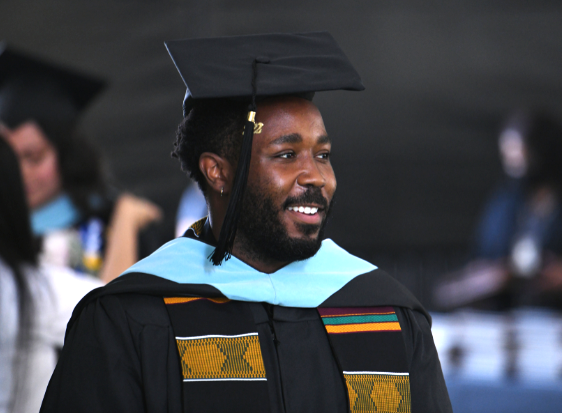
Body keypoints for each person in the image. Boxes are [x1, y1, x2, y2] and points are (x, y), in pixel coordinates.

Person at [41, 32, 452, 412]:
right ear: (217, 172)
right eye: (286, 155)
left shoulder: (386, 313)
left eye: (323, 155)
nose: (316, 176)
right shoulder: (130, 317)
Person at [0, 43, 162, 282]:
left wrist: (125, 223)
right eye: (7, 159)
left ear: (66, 155)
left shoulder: (115, 221)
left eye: (34, 157)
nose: (20, 172)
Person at [434, 110, 562, 311]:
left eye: (523, 154)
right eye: (509, 155)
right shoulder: (505, 202)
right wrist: (493, 279)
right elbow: (459, 281)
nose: (515, 165)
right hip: (512, 324)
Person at [0, 136, 102, 413]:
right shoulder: (35, 288)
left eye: (33, 158)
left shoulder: (102, 221)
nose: (26, 173)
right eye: (18, 161)